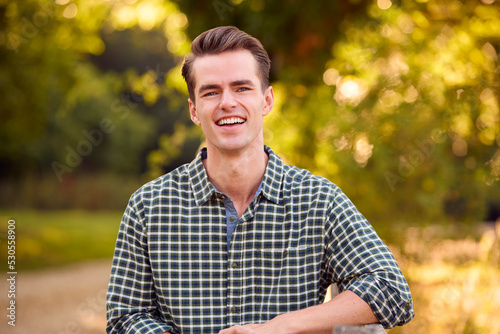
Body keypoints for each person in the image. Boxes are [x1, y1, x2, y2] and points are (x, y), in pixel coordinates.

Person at [106, 26, 414, 334]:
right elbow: (124, 316)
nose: (227, 102)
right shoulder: (149, 206)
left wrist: (282, 327)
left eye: (242, 88)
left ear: (267, 100)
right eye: (211, 92)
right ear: (194, 110)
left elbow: (391, 291)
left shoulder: (318, 201)